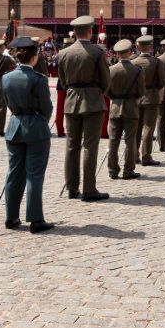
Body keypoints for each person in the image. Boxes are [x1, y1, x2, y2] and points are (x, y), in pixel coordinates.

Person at [2, 36, 54, 233]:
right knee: (34, 174)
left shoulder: (6, 78)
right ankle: (35, 219)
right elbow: (46, 108)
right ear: (34, 58)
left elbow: (8, 103)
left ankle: (11, 217)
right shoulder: (38, 79)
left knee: (14, 174)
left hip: (14, 126)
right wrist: (39, 122)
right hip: (35, 128)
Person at [57, 16, 111, 201]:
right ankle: (89, 189)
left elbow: (63, 82)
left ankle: (72, 188)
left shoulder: (63, 53)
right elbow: (106, 81)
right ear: (90, 31)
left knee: (72, 146)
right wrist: (96, 92)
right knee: (90, 146)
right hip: (93, 101)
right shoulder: (97, 52)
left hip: (71, 101)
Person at [106, 39, 145, 180]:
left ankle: (112, 170)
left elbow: (106, 90)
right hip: (131, 107)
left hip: (115, 107)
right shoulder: (137, 70)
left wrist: (115, 98)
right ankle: (128, 170)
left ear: (117, 54)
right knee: (130, 141)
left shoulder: (110, 70)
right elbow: (141, 91)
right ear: (129, 52)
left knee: (113, 140)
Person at [132, 34, 165, 166]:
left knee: (136, 128)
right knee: (148, 127)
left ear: (137, 46)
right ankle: (146, 156)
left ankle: (134, 156)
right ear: (150, 47)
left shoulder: (132, 61)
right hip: (151, 96)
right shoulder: (156, 62)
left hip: (136, 98)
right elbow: (162, 82)